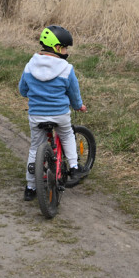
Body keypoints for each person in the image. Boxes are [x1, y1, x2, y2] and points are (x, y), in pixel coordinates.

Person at [18, 25, 89, 201]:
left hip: (36, 115)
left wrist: (35, 93)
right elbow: (73, 94)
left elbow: (22, 90)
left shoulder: (29, 66)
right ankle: (73, 166)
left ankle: (30, 187)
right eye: (65, 47)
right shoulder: (66, 69)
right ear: (57, 48)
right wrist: (78, 105)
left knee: (35, 148)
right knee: (66, 135)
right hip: (59, 114)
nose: (66, 51)